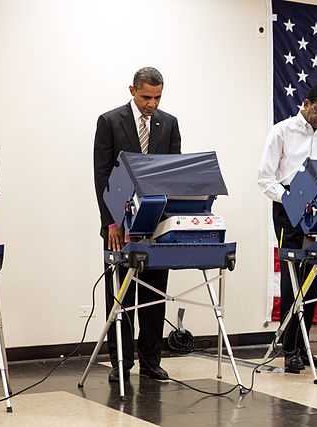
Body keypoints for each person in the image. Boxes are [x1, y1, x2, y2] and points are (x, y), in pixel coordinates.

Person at [93, 67, 181, 382]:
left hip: (157, 223)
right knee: (121, 295)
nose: (152, 104)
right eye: (146, 97)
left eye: (157, 97)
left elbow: (173, 175)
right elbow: (101, 177)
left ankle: (150, 360)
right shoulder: (109, 122)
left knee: (154, 294)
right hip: (120, 224)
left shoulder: (168, 124)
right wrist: (112, 222)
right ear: (132, 90)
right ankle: (120, 362)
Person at [257, 84, 317, 373]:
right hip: (288, 207)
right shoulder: (282, 130)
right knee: (292, 279)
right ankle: (289, 349)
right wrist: (290, 199)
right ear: (305, 103)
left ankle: (305, 346)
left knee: (313, 276)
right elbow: (265, 178)